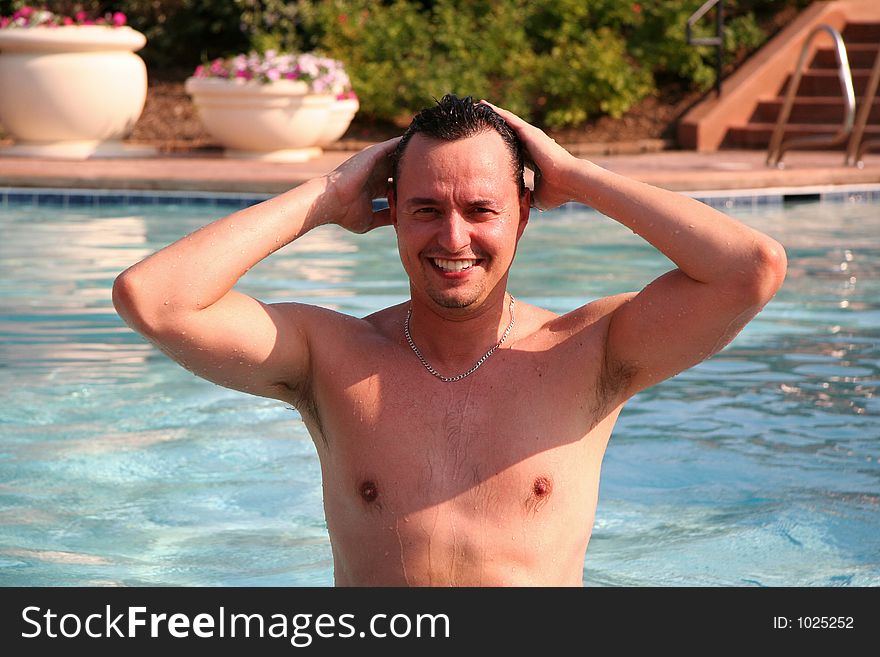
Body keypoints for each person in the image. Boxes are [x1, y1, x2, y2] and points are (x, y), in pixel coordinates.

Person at [113, 94, 787, 586]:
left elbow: (751, 268)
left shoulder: (591, 351)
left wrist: (578, 176)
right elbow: (153, 297)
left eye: (480, 210)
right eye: (427, 209)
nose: (453, 238)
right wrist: (324, 196)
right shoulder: (329, 356)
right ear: (392, 216)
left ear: (524, 214)